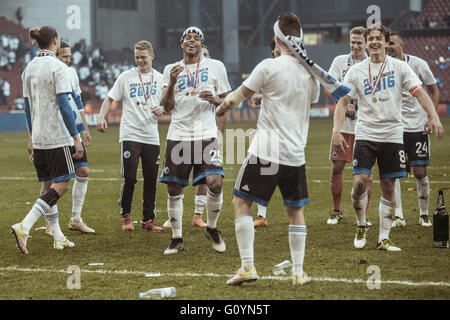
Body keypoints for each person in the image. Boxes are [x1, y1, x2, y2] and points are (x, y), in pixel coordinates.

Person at [217, 12, 320, 286]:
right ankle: (298, 273)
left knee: (241, 202)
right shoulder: (311, 75)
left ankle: (248, 267)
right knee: (295, 211)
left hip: (267, 150)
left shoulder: (268, 66)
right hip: (296, 152)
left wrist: (222, 106)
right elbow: (306, 102)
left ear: (277, 39)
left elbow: (238, 97)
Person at [332, 25, 444, 252]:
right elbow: (343, 101)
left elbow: (420, 92)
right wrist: (336, 129)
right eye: (370, 39)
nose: (374, 42)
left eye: (378, 39)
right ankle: (361, 224)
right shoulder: (356, 71)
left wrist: (434, 116)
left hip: (393, 135)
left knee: (389, 186)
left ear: (385, 42)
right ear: (366, 42)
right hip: (366, 133)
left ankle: (383, 238)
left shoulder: (400, 67)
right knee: (360, 181)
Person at [11, 26, 84, 253]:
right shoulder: (58, 67)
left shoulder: (28, 68)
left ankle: (58, 236)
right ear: (55, 40)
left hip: (39, 137)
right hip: (56, 136)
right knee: (61, 185)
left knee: (46, 186)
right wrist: (76, 137)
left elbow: (26, 108)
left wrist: (31, 137)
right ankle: (25, 225)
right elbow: (64, 104)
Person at [159, 26, 231, 254]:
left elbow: (229, 101)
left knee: (215, 182)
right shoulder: (171, 68)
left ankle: (212, 227)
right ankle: (176, 237)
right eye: (188, 38)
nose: (192, 41)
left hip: (205, 133)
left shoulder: (216, 66)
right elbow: (167, 107)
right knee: (173, 187)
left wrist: (217, 98)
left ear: (201, 45)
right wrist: (171, 82)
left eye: (196, 38)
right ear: (182, 44)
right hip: (178, 133)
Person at [96, 40, 164, 232]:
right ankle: (126, 215)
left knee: (151, 179)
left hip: (151, 135)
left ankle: (148, 220)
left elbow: (169, 104)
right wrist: (102, 116)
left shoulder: (161, 79)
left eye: (143, 57)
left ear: (152, 56)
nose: (140, 60)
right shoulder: (126, 77)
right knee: (130, 177)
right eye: (137, 57)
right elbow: (110, 98)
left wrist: (163, 108)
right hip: (130, 133)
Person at [387, 32, 440, 228]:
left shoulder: (418, 64)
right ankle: (399, 216)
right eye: (387, 44)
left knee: (419, 172)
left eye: (392, 43)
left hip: (418, 125)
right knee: (396, 172)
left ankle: (424, 214)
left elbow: (433, 88)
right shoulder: (387, 67)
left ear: (402, 43)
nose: (388, 47)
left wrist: (430, 116)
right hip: (395, 127)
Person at [326, 26, 374, 225]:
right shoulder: (339, 62)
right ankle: (337, 210)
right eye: (352, 42)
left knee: (365, 174)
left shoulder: (373, 64)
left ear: (365, 44)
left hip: (366, 127)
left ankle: (363, 215)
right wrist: (344, 102)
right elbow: (329, 87)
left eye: (359, 43)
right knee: (337, 167)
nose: (355, 46)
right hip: (343, 127)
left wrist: (357, 102)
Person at [52, 40, 95, 234]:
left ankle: (76, 219)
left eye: (69, 56)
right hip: (56, 131)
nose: (68, 60)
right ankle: (51, 224)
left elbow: (77, 102)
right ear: (55, 55)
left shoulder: (70, 73)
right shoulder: (52, 73)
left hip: (73, 129)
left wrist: (84, 128)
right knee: (52, 181)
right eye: (64, 56)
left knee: (83, 171)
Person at [250, 37, 281, 228]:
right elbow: (254, 97)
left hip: (289, 130)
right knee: (264, 172)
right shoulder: (266, 71)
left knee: (284, 174)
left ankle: (296, 213)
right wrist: (265, 95)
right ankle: (261, 215)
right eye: (276, 50)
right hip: (267, 129)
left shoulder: (295, 71)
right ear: (272, 52)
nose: (279, 52)